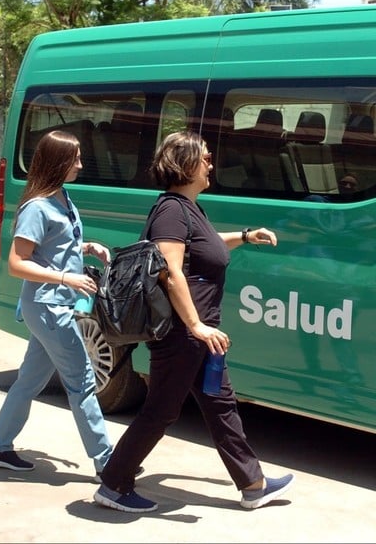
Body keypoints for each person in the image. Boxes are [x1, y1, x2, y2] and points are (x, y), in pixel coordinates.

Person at [93, 130, 295, 513]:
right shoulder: (171, 208)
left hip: (200, 335)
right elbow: (169, 271)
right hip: (183, 334)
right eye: (205, 158)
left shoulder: (188, 208)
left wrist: (246, 236)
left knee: (220, 404)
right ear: (186, 165)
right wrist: (196, 326)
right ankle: (114, 484)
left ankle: (253, 484)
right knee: (161, 410)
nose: (211, 164)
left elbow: (205, 246)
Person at [0, 130, 119, 481]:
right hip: (48, 307)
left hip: (54, 306)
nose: (80, 163)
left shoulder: (60, 197)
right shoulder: (37, 207)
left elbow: (54, 246)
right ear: (58, 162)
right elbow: (17, 263)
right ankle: (108, 462)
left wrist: (86, 247)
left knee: (29, 380)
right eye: (74, 158)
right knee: (82, 381)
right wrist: (65, 278)